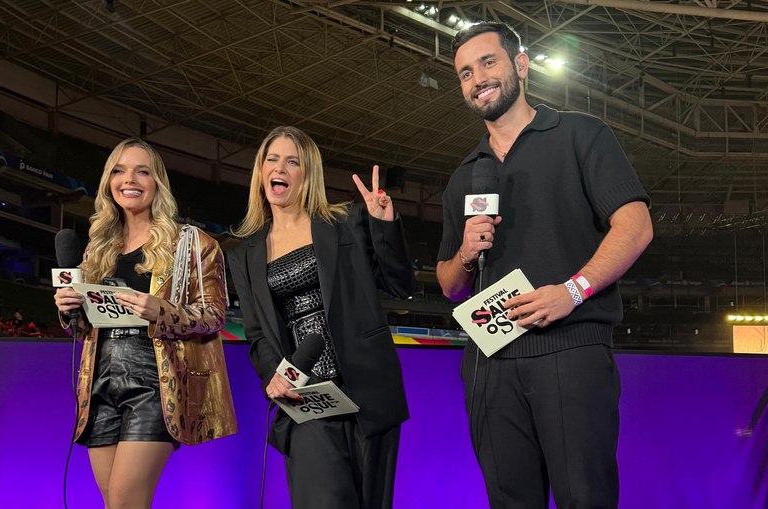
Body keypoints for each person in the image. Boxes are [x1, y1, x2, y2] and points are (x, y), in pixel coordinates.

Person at [436, 22, 653, 509]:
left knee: (584, 498)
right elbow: (449, 286)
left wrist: (572, 291)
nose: (477, 79)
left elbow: (636, 227)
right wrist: (467, 256)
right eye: (465, 73)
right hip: (488, 361)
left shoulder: (581, 134)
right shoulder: (463, 176)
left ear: (520, 65)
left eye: (488, 62)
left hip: (570, 349)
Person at [229, 126, 414, 508]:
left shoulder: (346, 223)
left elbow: (399, 284)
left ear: (306, 174)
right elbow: (257, 335)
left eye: (292, 161)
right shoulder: (243, 255)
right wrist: (274, 376)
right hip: (308, 397)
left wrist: (383, 224)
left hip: (367, 393)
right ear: (261, 171)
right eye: (272, 159)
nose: (280, 167)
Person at [53, 138, 237, 508]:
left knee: (125, 500)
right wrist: (67, 307)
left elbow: (215, 315)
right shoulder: (96, 248)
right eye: (118, 171)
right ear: (108, 182)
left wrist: (162, 311)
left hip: (155, 383)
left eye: (142, 171)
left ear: (158, 182)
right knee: (113, 504)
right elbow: (82, 327)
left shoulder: (191, 243)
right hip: (100, 385)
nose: (129, 179)